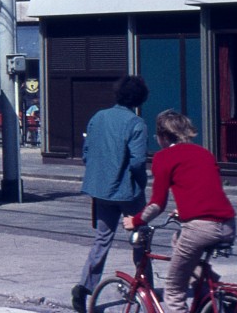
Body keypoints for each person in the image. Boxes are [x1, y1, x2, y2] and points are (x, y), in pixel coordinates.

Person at [122, 111, 236, 313]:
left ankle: (204, 294)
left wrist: (136, 221)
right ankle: (209, 291)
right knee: (178, 239)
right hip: (228, 224)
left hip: (201, 228)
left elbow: (157, 204)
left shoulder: (163, 157)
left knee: (173, 291)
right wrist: (185, 210)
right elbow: (208, 191)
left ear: (163, 136)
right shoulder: (204, 152)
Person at [71, 75, 151, 313]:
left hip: (101, 189)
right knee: (140, 238)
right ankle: (144, 286)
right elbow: (137, 162)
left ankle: (84, 286)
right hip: (128, 191)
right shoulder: (136, 123)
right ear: (139, 99)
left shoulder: (98, 117)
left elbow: (86, 152)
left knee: (102, 240)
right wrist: (141, 183)